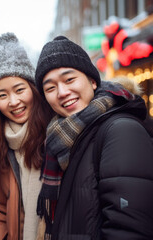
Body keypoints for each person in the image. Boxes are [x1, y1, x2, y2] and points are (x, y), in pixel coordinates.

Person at [35, 36, 153, 240]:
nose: (62, 92)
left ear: (91, 80)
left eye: (69, 79)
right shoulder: (64, 137)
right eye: (50, 88)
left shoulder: (121, 130)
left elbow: (128, 230)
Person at [0, 32, 50, 240]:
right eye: (2, 95)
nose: (13, 101)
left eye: (19, 89)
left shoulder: (56, 133)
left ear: (33, 88)